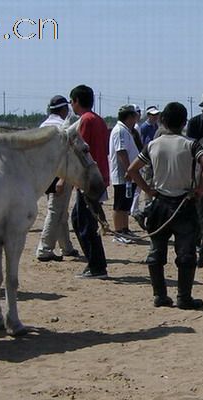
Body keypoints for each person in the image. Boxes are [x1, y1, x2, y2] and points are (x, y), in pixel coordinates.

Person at [127, 102, 203, 309]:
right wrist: (200, 190)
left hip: (160, 204)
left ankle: (159, 295)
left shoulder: (153, 144)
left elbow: (132, 170)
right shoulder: (191, 144)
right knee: (186, 254)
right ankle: (184, 298)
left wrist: (148, 190)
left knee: (156, 252)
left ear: (163, 121)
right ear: (184, 122)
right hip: (184, 204)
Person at [69, 85, 109, 279]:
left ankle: (97, 266)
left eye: (72, 101)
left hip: (89, 179)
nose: (71, 105)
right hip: (98, 177)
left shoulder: (86, 120)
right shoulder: (99, 120)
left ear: (77, 101)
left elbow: (81, 152)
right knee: (80, 220)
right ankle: (95, 264)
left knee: (84, 222)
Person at [36, 95, 79, 262]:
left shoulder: (43, 126)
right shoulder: (62, 127)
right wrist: (62, 179)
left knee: (60, 210)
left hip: (44, 174)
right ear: (63, 109)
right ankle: (45, 248)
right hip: (60, 173)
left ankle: (66, 246)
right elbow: (66, 157)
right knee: (55, 210)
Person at [109, 104, 141, 243]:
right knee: (120, 204)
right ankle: (118, 232)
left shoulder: (126, 130)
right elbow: (121, 151)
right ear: (129, 117)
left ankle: (125, 229)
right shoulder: (120, 131)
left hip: (129, 175)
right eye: (135, 116)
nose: (136, 119)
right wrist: (129, 170)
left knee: (126, 204)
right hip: (123, 174)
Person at [132, 106, 161, 228]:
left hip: (155, 160)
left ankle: (148, 213)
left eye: (156, 115)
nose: (155, 117)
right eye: (152, 115)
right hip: (147, 161)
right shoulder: (143, 128)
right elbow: (141, 144)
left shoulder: (156, 127)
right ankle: (146, 214)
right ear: (148, 115)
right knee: (148, 187)